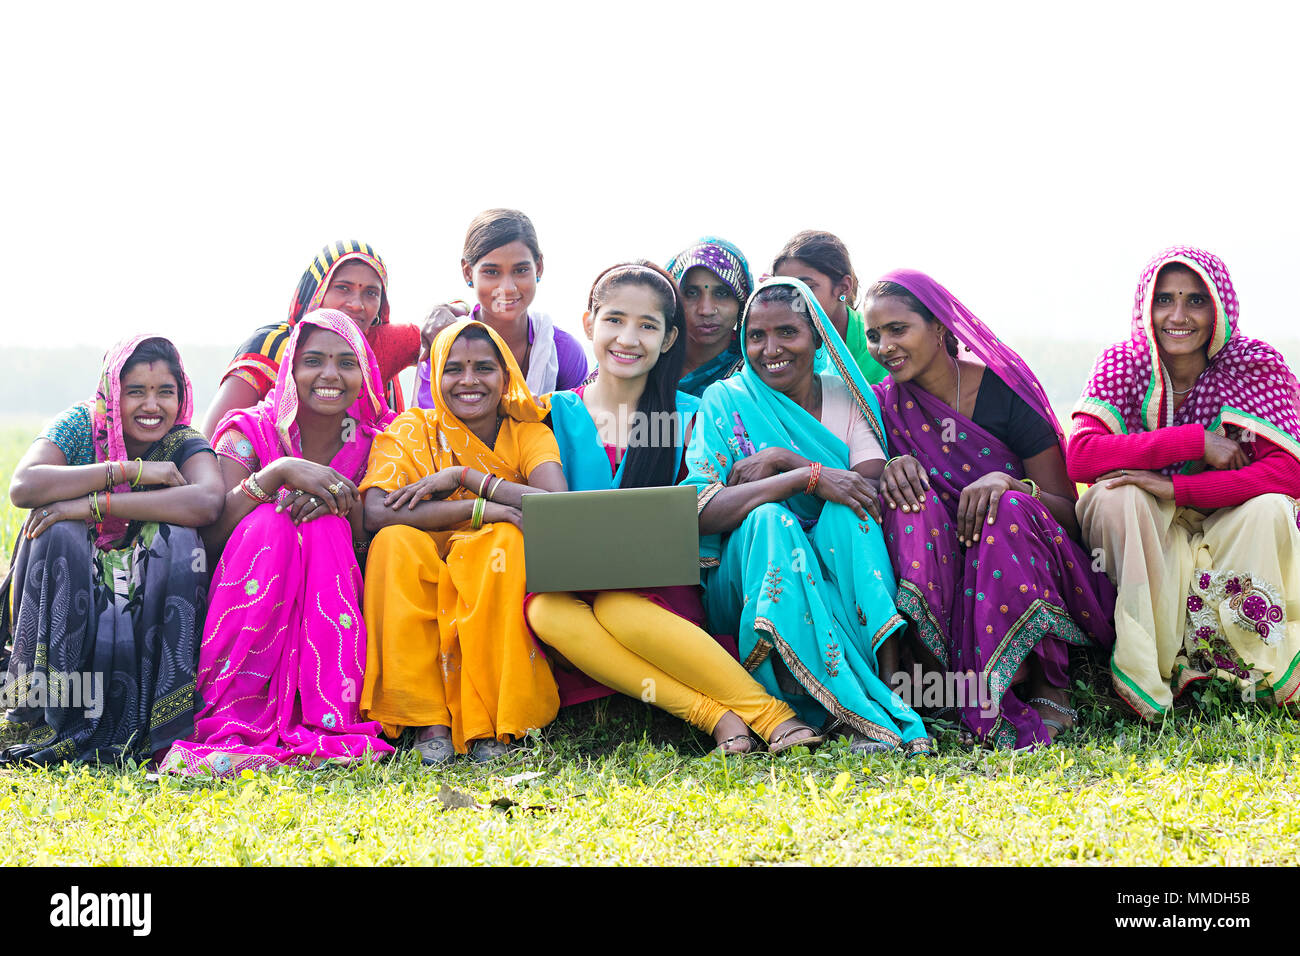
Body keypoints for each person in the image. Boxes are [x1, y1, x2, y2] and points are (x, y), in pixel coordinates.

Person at [527, 262, 820, 755]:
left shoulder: (694, 414)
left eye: (648, 326)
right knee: (544, 611)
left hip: (664, 590)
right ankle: (713, 714)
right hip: (572, 589)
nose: (628, 338)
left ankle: (769, 715)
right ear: (588, 324)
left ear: (667, 340)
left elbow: (706, 506)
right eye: (615, 320)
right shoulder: (549, 413)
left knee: (621, 606)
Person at [864, 271, 1115, 748]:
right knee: (907, 501)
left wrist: (1009, 483)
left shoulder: (1004, 392)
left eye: (898, 329)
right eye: (874, 335)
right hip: (950, 562)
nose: (883, 346)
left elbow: (1069, 511)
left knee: (1008, 508)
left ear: (939, 327)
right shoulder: (884, 406)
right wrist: (892, 468)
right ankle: (938, 678)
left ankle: (1046, 683)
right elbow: (868, 476)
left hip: (1025, 553)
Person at [683, 276, 931, 756]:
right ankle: (795, 703)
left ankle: (881, 691)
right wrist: (799, 479)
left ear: (817, 337)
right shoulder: (726, 401)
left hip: (838, 570)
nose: (769, 348)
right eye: (756, 336)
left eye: (787, 333)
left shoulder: (846, 396)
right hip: (750, 572)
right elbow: (702, 510)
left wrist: (787, 460)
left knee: (849, 514)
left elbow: (868, 489)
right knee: (771, 520)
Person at [161, 310, 396, 776]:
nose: (330, 375)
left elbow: (378, 544)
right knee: (270, 524)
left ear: (366, 372)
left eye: (346, 362)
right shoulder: (250, 431)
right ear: (289, 367)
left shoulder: (378, 441)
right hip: (247, 600)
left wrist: (343, 509)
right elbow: (210, 534)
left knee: (326, 529)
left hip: (343, 604)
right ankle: (239, 707)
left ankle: (328, 712)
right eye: (313, 361)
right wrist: (276, 475)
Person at [1069, 246, 1300, 719]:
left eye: (1195, 300)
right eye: (1165, 299)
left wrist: (1181, 490)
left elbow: (1288, 470)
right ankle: (1146, 670)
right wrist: (1194, 442)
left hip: (1224, 517)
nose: (1178, 316)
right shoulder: (1123, 363)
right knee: (1120, 498)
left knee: (1271, 508)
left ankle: (1243, 672)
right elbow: (1082, 457)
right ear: (1146, 306)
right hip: (1146, 525)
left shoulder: (1252, 365)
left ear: (1220, 307)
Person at [1, 336, 224, 764]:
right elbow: (23, 486)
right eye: (135, 391)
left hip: (138, 592)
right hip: (73, 568)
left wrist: (96, 503)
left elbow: (207, 501)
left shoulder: (182, 441)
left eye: (165, 392)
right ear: (112, 393)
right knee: (59, 530)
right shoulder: (79, 426)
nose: (151, 406)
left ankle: (163, 707)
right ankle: (42, 703)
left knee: (179, 539)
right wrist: (125, 470)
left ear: (182, 395)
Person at [361, 321, 568, 763]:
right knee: (394, 542)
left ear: (507, 375)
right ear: (435, 375)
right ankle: (427, 717)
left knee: (504, 542)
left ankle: (490, 720)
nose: (469, 380)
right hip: (428, 560)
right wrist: (477, 509)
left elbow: (556, 507)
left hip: (493, 561)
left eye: (484, 368)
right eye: (453, 368)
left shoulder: (527, 431)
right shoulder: (411, 429)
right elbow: (376, 512)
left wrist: (466, 478)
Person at [201, 240, 422, 436]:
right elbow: (215, 437)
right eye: (342, 288)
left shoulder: (380, 344)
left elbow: (445, 334)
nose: (357, 304)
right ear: (317, 290)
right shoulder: (272, 346)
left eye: (371, 293)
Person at [414, 209, 590, 403]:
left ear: (538, 267)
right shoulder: (446, 342)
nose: (507, 288)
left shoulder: (561, 350)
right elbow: (429, 426)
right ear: (467, 272)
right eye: (491, 272)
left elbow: (578, 424)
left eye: (521, 270)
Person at [771, 230, 888, 384]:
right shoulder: (777, 346)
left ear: (843, 288)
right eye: (783, 290)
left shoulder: (880, 347)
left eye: (806, 288)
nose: (792, 302)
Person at [665, 236, 753, 397]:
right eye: (691, 293)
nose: (706, 310)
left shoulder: (756, 374)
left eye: (722, 293)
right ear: (672, 301)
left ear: (742, 303)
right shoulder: (647, 360)